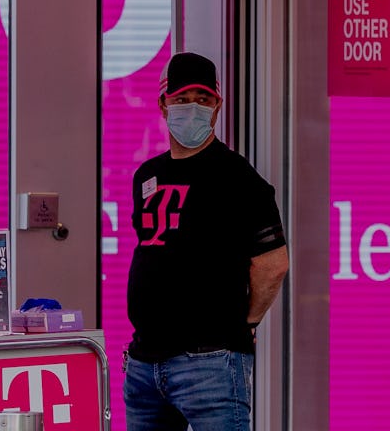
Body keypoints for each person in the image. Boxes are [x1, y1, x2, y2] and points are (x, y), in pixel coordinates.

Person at [124, 52, 290, 431]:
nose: (192, 108)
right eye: (182, 100)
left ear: (217, 106)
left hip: (210, 364)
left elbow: (273, 263)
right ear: (163, 106)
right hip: (144, 364)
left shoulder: (238, 178)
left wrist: (244, 325)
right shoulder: (147, 176)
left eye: (203, 99)